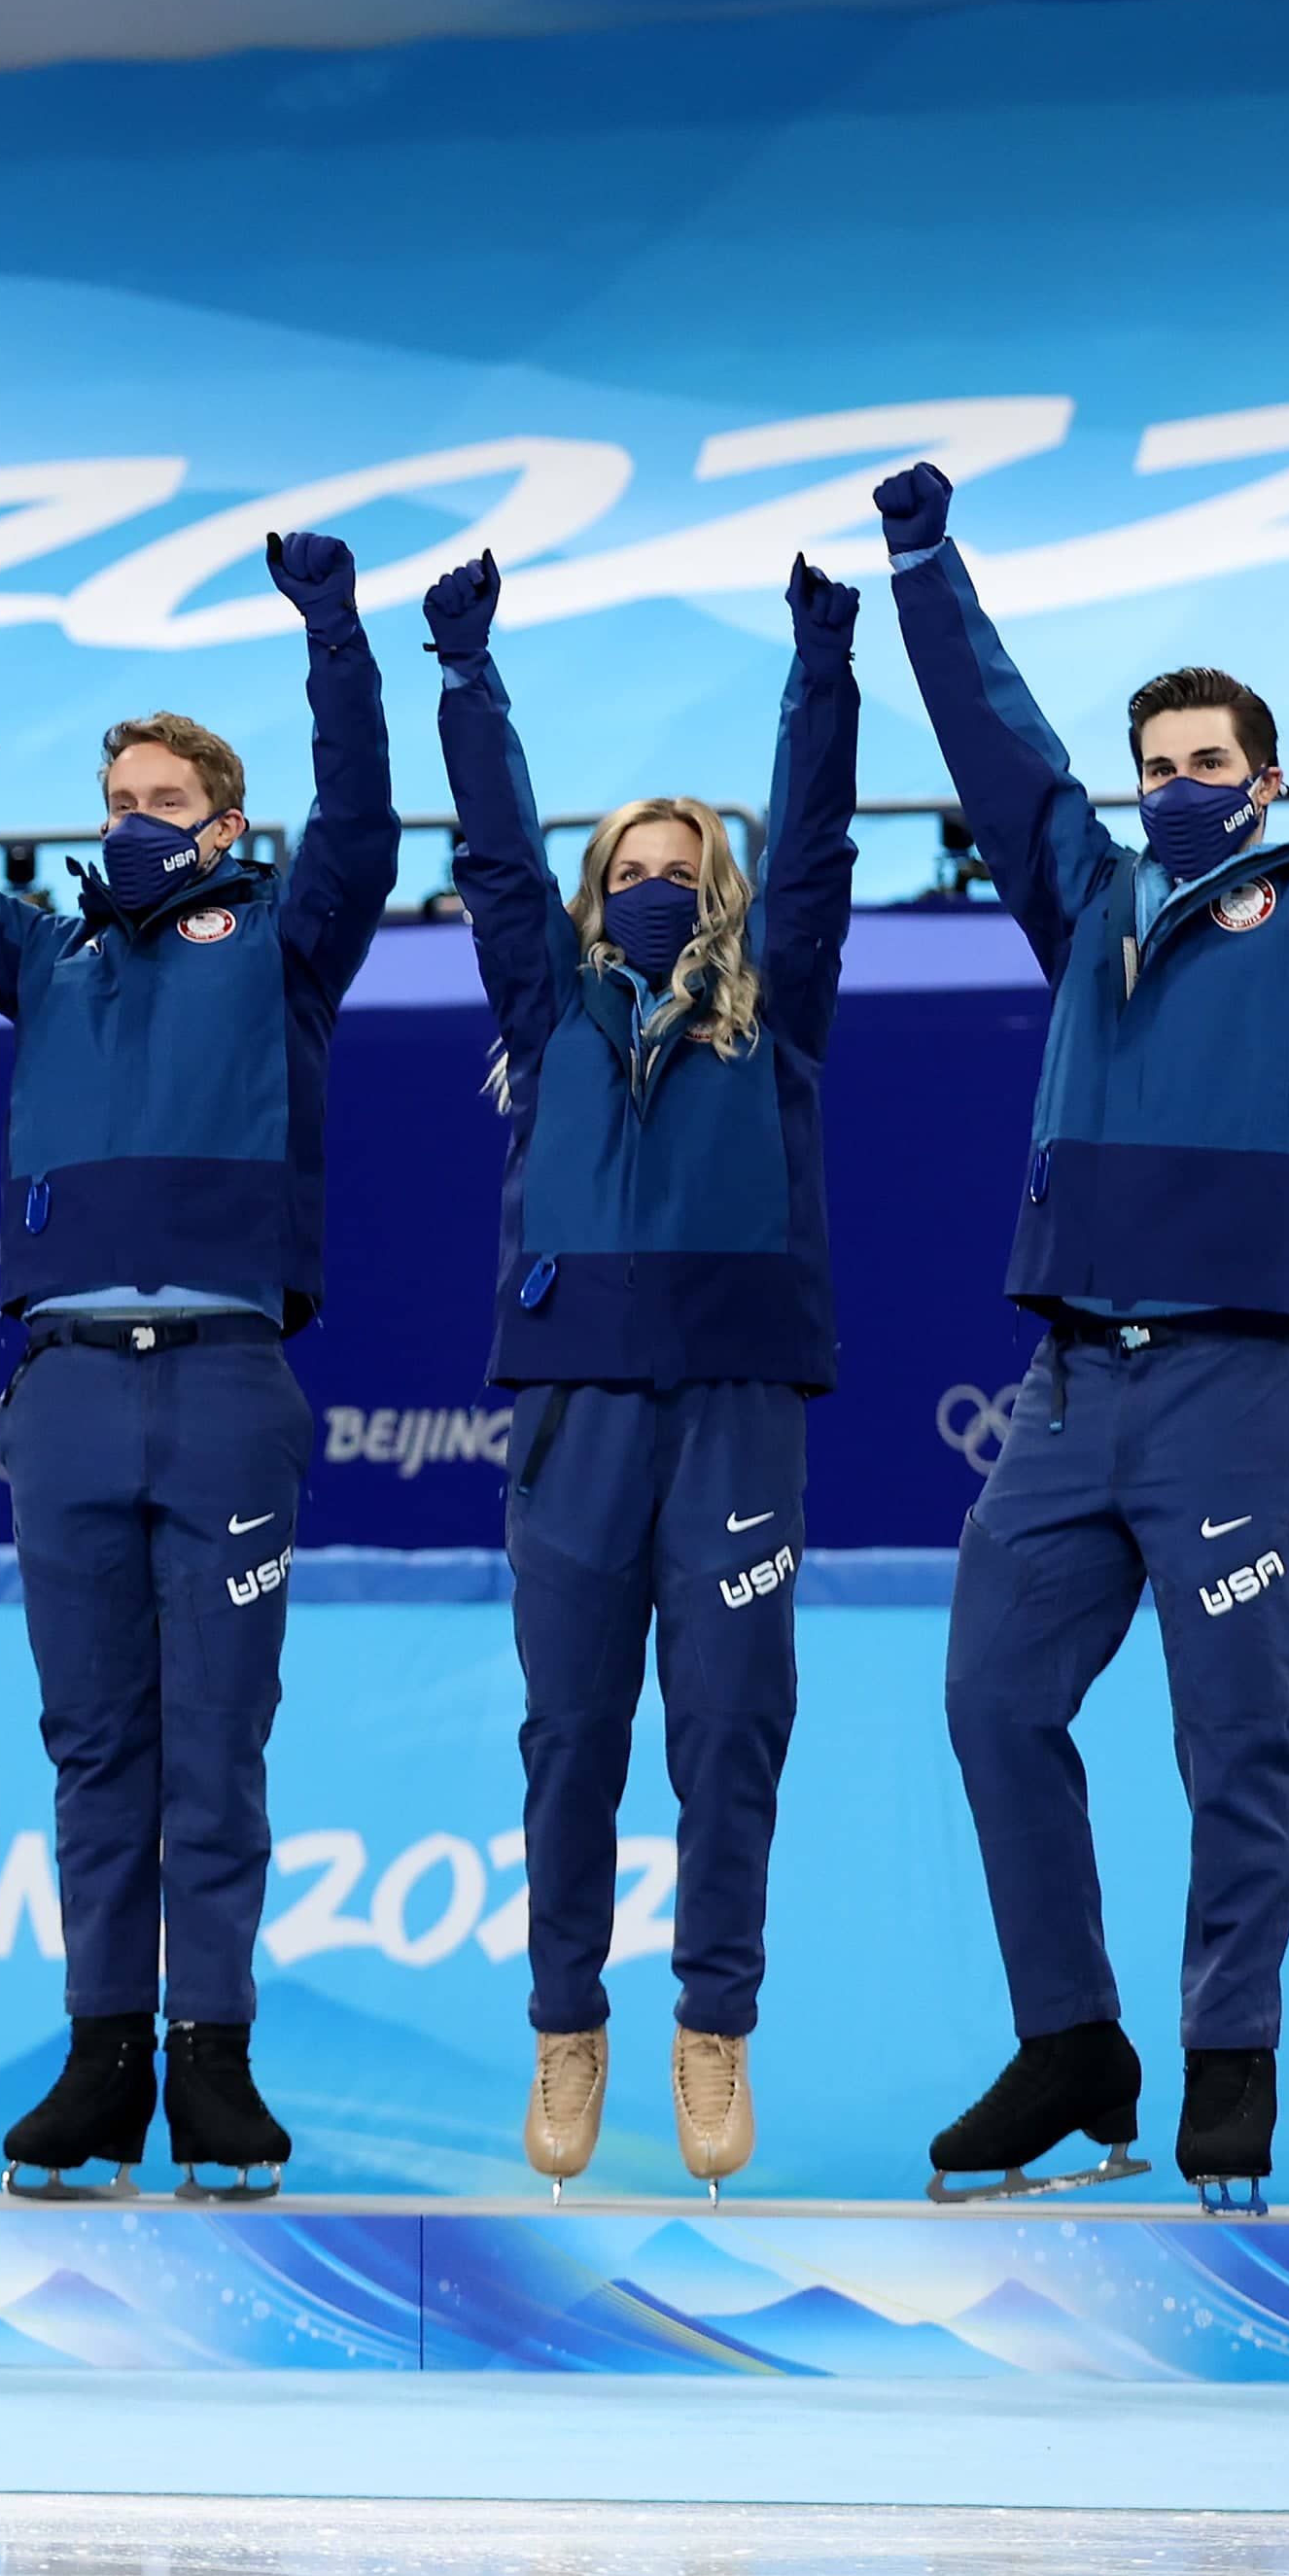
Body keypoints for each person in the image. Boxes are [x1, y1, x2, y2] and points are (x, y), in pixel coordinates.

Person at [882, 438, 1289, 2210]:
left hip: (1230, 1386)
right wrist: (924, 560)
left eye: (1205, 766)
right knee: (992, 1699)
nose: (1173, 789)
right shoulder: (1087, 900)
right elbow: (996, 745)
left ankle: (1230, 2062)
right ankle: (1073, 2042)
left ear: (1264, 782)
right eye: (1153, 769)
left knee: (1233, 1738)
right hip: (1066, 1389)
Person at [0, 531, 398, 2197]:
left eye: (165, 795)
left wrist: (333, 632)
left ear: (225, 823)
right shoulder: (50, 956)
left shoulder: (284, 944)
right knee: (95, 1745)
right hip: (70, 1393)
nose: (133, 817)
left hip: (231, 1387)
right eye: (117, 792)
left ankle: (214, 2064)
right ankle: (102, 2061)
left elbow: (371, 822)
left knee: (216, 1747)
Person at [425, 550, 861, 2196]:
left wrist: (822, 653)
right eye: (631, 870)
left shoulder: (777, 1015)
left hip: (738, 1412)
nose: (658, 888)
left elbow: (812, 839)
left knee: (732, 1722)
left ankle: (711, 2022)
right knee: (571, 1736)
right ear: (595, 894)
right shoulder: (545, 1011)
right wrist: (464, 668)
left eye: (684, 869)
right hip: (575, 1413)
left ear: (719, 894)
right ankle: (562, 2020)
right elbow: (484, 849)